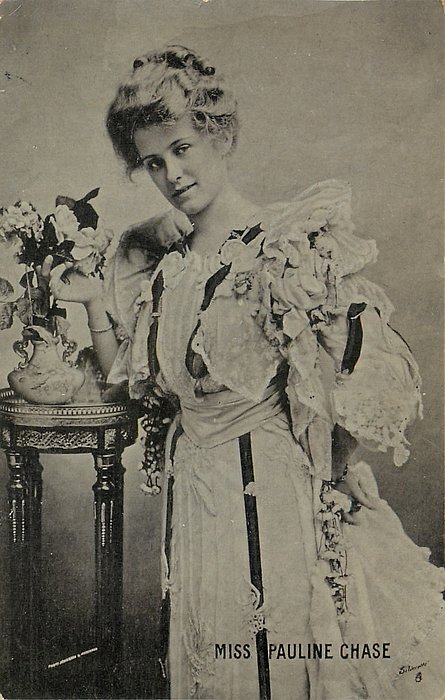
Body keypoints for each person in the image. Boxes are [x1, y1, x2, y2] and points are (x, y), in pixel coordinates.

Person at [47, 45, 444, 700]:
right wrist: (93, 302)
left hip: (272, 502)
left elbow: (361, 379)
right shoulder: (165, 267)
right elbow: (139, 382)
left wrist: (337, 355)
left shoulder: (284, 247)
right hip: (197, 508)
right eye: (153, 162)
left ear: (219, 134)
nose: (172, 173)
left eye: (181, 148)